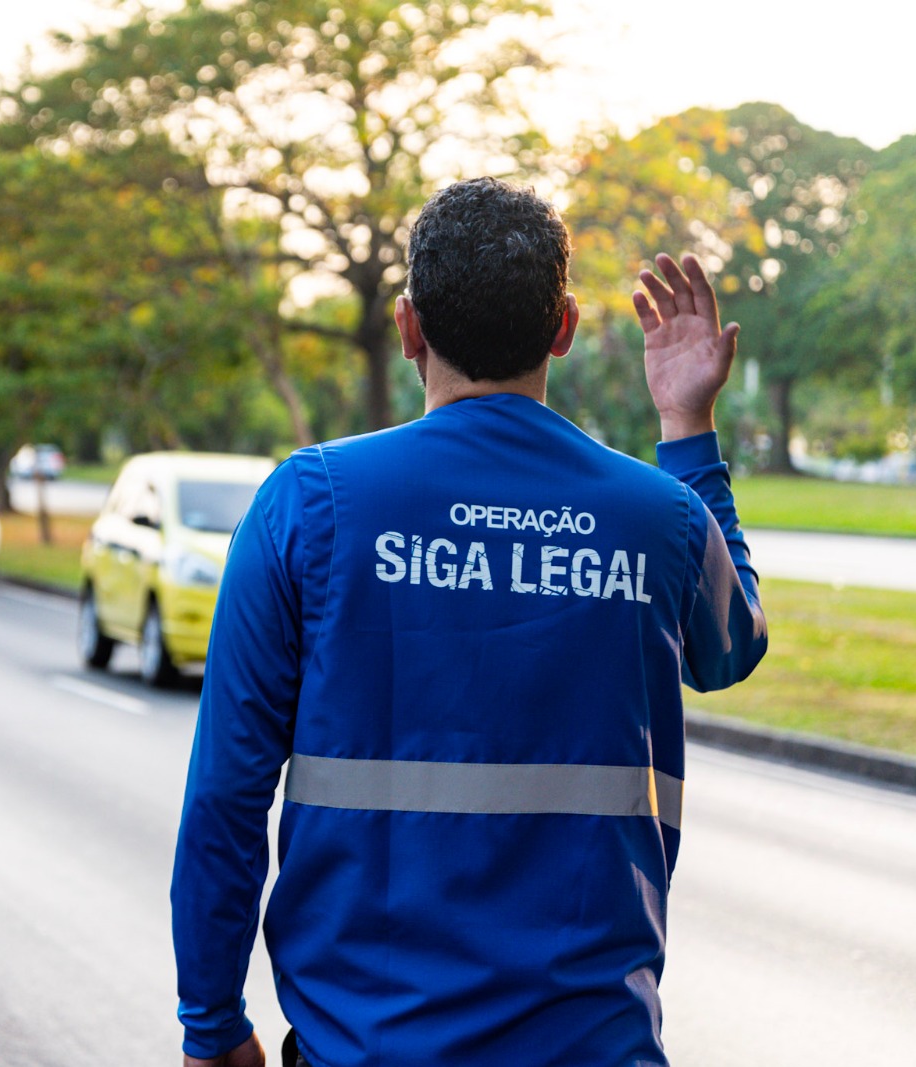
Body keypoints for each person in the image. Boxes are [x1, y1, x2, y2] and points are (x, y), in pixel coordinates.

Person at [171, 178, 768, 1067]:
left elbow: (226, 794)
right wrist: (686, 427)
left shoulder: (309, 503)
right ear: (563, 328)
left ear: (409, 327)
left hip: (364, 1049)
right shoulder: (663, 518)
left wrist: (212, 1021)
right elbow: (731, 648)